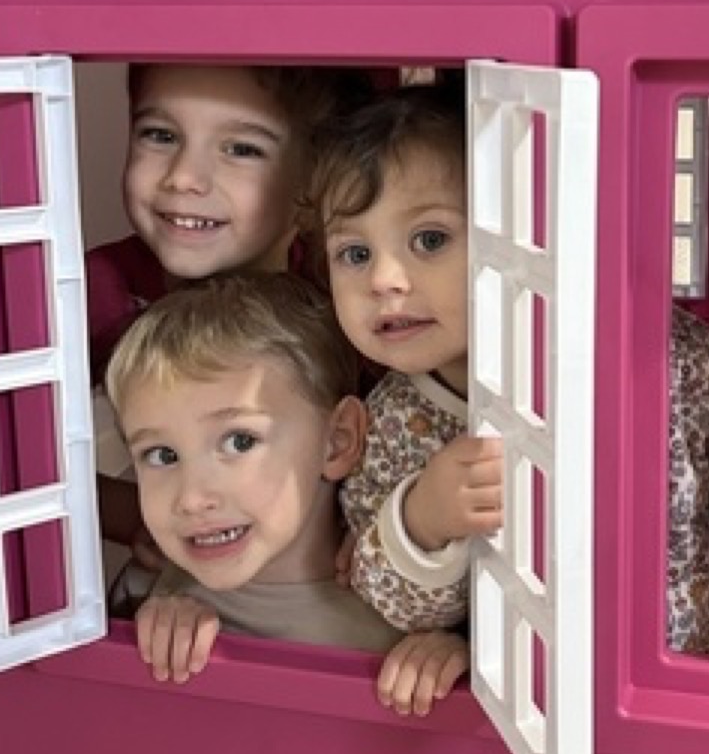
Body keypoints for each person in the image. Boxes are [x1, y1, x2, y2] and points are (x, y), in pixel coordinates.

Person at [315, 80, 709, 661]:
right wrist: (423, 521)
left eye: (429, 239)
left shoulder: (659, 355)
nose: (383, 280)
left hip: (701, 668)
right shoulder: (394, 423)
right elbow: (387, 597)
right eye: (354, 254)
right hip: (536, 705)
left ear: (527, 235)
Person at [103, 272, 469, 716]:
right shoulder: (158, 593)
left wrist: (453, 659)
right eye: (161, 455)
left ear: (336, 441)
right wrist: (151, 632)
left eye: (239, 442)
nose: (192, 498)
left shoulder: (412, 607)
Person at [86, 61, 367, 570]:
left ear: (312, 184)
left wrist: (379, 532)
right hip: (187, 586)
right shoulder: (101, 288)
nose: (183, 178)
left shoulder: (350, 293)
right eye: (160, 134)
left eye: (242, 149)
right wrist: (136, 519)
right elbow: (11, 466)